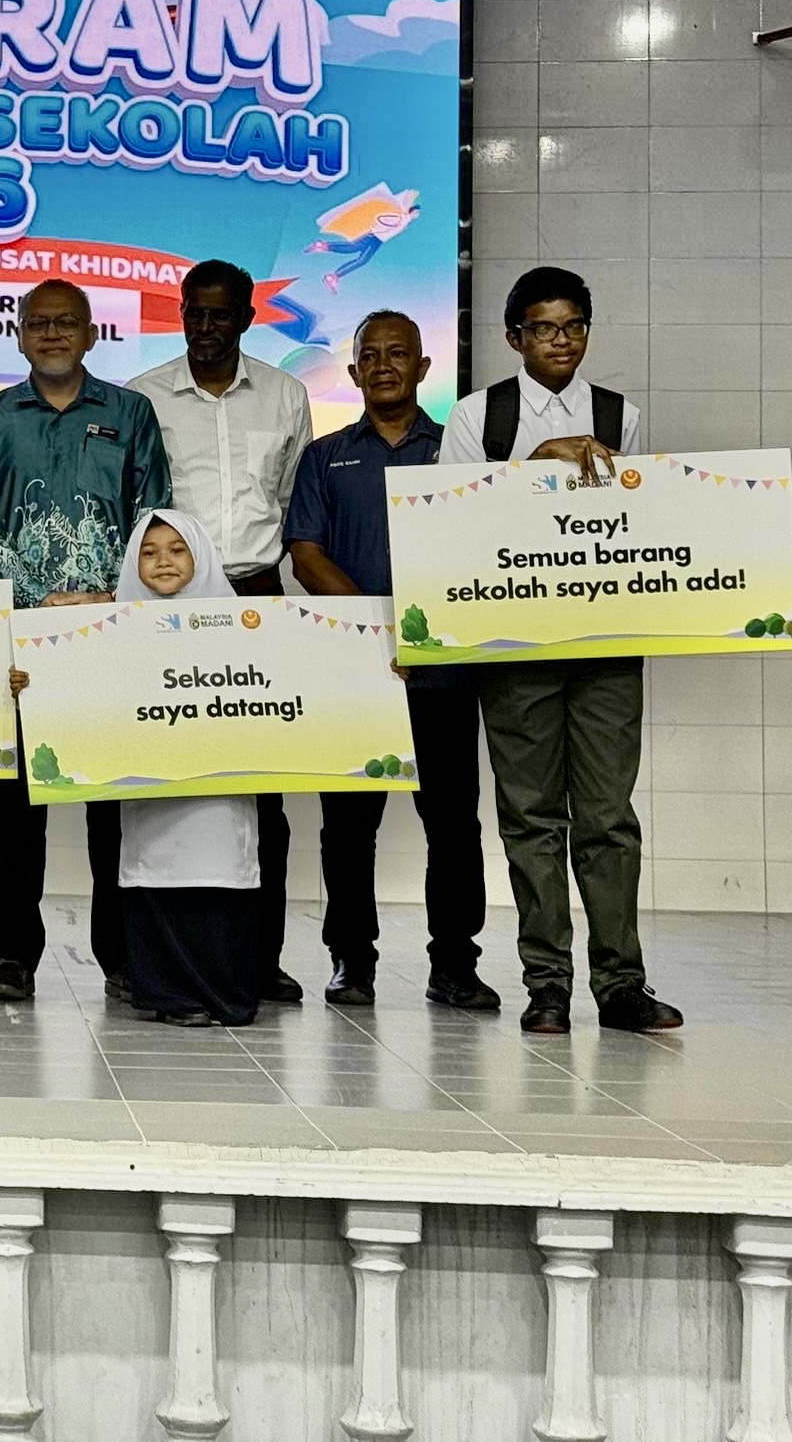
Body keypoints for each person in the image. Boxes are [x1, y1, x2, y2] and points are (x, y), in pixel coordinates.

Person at [439, 267, 680, 1036]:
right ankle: (546, 984)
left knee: (609, 817)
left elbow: (639, 523)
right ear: (515, 337)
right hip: (516, 647)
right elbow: (452, 525)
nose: (561, 341)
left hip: (607, 643)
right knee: (532, 818)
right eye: (544, 328)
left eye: (574, 326)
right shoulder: (478, 416)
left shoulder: (620, 414)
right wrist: (533, 466)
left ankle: (622, 984)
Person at [0, 278, 172, 1005]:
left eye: (67, 323)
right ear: (19, 334)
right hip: (21, 642)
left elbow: (155, 518)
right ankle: (10, 955)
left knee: (114, 811)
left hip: (112, 638)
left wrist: (110, 599)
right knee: (14, 813)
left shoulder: (130, 413)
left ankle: (123, 958)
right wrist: (40, 603)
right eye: (38, 323)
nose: (52, 334)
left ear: (91, 334)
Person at [285, 311, 499, 1013]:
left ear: (422, 367)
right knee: (348, 827)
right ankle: (352, 961)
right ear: (352, 373)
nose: (383, 365)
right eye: (369, 356)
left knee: (453, 824)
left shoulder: (460, 453)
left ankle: (455, 965)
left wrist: (423, 633)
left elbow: (486, 547)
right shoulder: (324, 456)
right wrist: (383, 630)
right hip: (357, 673)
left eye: (397, 353)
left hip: (445, 671)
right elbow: (306, 555)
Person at [131, 259, 314, 1005]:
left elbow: (292, 503)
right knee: (158, 782)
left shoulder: (287, 394)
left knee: (262, 792)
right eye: (193, 313)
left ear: (247, 317)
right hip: (168, 605)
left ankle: (260, 957)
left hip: (258, 596)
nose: (205, 327)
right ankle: (136, 959)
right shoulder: (144, 396)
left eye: (220, 314)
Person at [16, 511, 262, 1028]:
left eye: (177, 549)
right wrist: (30, 681)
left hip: (220, 796)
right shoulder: (111, 630)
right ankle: (169, 995)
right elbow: (77, 684)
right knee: (157, 877)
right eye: (148, 553)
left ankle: (226, 996)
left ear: (201, 555)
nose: (163, 561)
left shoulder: (242, 627)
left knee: (218, 875)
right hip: (149, 800)